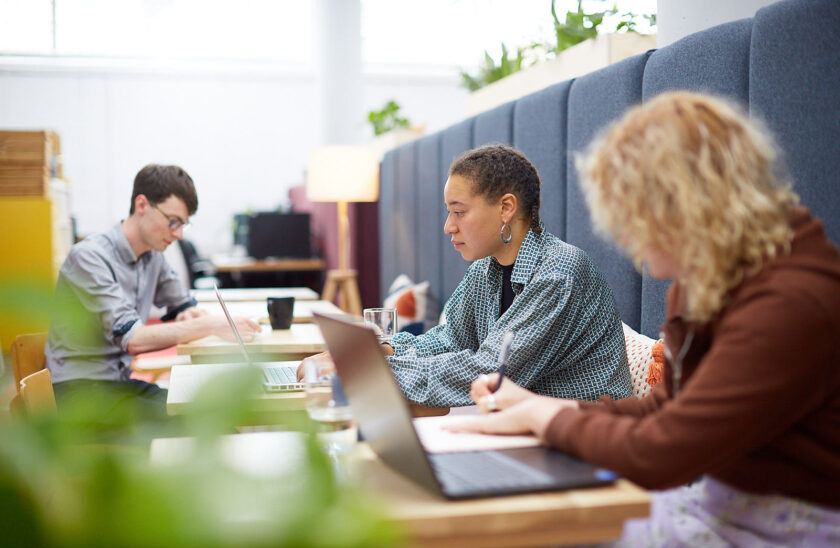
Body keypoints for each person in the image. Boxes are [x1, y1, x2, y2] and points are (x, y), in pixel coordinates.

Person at [451, 92, 840, 548]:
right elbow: (668, 409)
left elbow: (665, 451)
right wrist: (537, 408)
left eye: (635, 218)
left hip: (791, 530)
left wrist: (544, 416)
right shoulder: (713, 280)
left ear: (686, 203)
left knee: (526, 535)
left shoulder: (789, 303)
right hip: (722, 506)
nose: (631, 242)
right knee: (518, 530)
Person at [300, 144, 631, 407]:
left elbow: (489, 372)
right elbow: (450, 340)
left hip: (587, 440)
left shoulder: (559, 275)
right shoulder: (486, 269)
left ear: (506, 208)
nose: (448, 227)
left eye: (459, 212)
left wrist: (368, 369)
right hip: (523, 429)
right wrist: (382, 351)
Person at [46, 164, 260, 426]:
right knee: (203, 424)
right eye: (173, 221)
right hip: (77, 395)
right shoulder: (89, 257)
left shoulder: (151, 255)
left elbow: (181, 305)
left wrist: (189, 314)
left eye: (183, 224)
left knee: (210, 416)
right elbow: (135, 339)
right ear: (142, 205)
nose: (178, 234)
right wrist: (211, 324)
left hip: (116, 385)